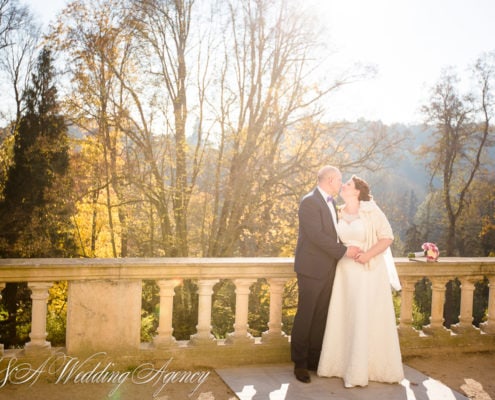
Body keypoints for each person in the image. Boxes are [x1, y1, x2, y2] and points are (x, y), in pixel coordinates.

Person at [317, 175, 404, 388]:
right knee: (345, 315)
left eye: (347, 184)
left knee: (364, 316)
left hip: (368, 271)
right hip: (344, 271)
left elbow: (387, 237)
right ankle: (339, 366)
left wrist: (367, 255)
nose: (343, 186)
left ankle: (364, 369)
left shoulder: (371, 210)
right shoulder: (337, 212)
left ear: (356, 191)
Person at [291, 166, 360, 384]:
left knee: (321, 316)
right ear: (331, 180)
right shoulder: (309, 201)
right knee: (306, 315)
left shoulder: (331, 204)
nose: (341, 185)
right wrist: (344, 252)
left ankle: (314, 359)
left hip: (329, 268)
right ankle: (300, 364)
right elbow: (316, 236)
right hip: (311, 269)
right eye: (339, 181)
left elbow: (333, 235)